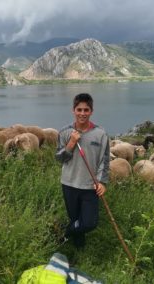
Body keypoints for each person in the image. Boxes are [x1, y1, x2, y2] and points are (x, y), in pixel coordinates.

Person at [55, 93, 110, 248]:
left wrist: (102, 182)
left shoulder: (101, 134)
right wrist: (71, 143)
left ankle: (65, 234)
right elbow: (59, 158)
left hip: (90, 187)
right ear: (73, 110)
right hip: (69, 183)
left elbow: (105, 161)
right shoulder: (65, 132)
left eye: (86, 110)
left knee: (89, 223)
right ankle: (79, 251)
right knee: (75, 219)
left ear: (91, 111)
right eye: (79, 110)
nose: (82, 113)